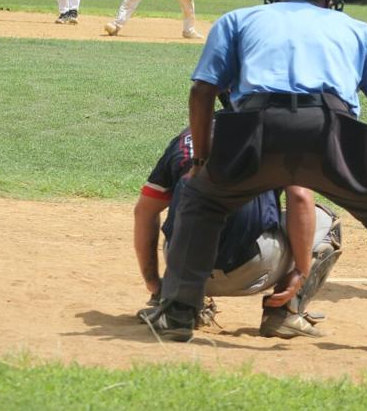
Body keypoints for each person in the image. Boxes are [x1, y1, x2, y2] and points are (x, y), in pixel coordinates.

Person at [140, 0, 367, 358]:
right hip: (331, 130)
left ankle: (177, 313)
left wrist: (203, 161)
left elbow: (203, 92)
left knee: (203, 200)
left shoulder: (238, 19)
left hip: (252, 126)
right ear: (330, 1)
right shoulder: (360, 29)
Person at [134, 127, 342, 338]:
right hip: (251, 269)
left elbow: (144, 212)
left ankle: (179, 304)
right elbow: (299, 197)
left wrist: (155, 285)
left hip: (184, 270)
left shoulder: (187, 138)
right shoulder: (277, 135)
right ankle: (284, 313)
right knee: (327, 221)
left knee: (189, 222)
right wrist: (301, 270)